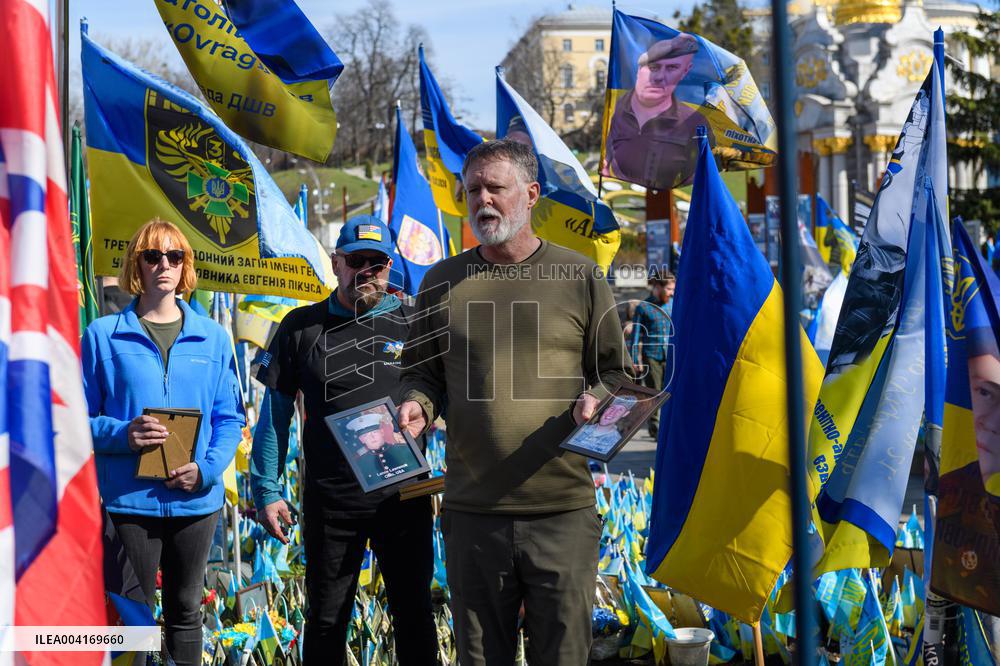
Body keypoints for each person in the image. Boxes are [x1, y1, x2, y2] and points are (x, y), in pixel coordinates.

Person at [398, 139, 632, 665]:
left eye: (495, 188)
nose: (482, 199)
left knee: (563, 656)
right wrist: (417, 403)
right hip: (473, 514)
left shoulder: (579, 276)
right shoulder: (441, 282)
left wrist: (596, 399)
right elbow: (421, 372)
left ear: (529, 195)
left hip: (561, 514)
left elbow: (615, 372)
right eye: (473, 189)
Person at [250, 215, 437, 665]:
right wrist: (267, 491)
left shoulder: (417, 322)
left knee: (414, 614)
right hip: (331, 503)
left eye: (377, 263)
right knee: (327, 620)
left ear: (390, 266)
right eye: (357, 261)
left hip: (404, 498)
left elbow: (444, 395)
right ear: (337, 263)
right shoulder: (301, 327)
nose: (367, 272)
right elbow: (274, 417)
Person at [82, 219, 244, 666]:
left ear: (186, 265)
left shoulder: (213, 338)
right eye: (153, 256)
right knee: (133, 617)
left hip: (196, 501)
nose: (164, 265)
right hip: (128, 503)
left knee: (186, 612)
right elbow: (74, 419)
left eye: (175, 256)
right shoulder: (101, 335)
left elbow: (230, 419)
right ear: (138, 263)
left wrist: (207, 470)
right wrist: (123, 434)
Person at [604, 34, 710, 190]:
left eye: (672, 68)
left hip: (668, 209)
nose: (659, 77)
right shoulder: (613, 110)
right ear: (639, 68)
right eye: (653, 67)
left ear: (685, 71)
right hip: (616, 206)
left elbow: (702, 181)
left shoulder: (694, 122)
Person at [630, 273, 675, 438]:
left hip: (671, 355)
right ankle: (655, 428)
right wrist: (635, 360)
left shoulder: (674, 304)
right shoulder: (643, 307)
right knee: (654, 393)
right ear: (658, 287)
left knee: (670, 391)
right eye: (669, 289)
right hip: (652, 355)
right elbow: (635, 336)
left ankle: (669, 427)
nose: (672, 293)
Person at [347, 412, 414, 486]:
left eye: (375, 432)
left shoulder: (405, 449)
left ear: (382, 432)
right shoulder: (360, 463)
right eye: (365, 435)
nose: (372, 437)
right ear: (361, 440)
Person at [566, 395, 638, 455]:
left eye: (620, 410)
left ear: (625, 414)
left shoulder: (615, 440)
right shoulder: (581, 429)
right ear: (607, 409)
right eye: (612, 408)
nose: (612, 412)